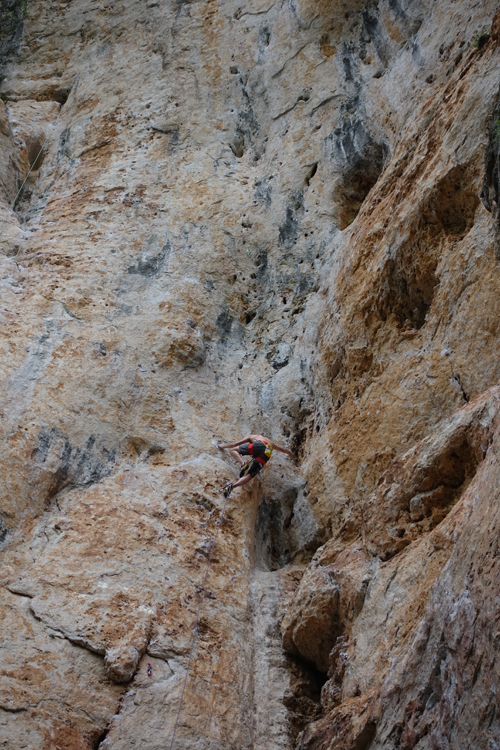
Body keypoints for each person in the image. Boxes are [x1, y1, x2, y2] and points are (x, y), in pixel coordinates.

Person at [218, 434, 294, 497]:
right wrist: (291, 453)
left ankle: (243, 464)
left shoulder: (252, 436)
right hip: (267, 454)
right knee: (249, 476)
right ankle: (233, 486)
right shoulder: (269, 442)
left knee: (233, 450)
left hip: (259, 445)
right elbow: (283, 449)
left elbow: (235, 444)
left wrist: (223, 446)